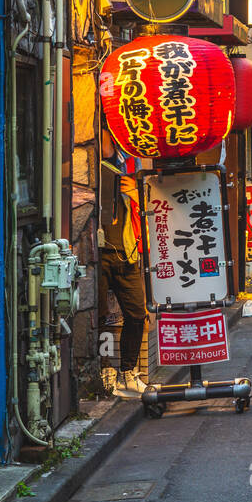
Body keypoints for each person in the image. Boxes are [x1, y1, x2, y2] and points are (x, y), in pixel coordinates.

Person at [99, 131, 150, 399]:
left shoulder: (132, 163)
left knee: (137, 313)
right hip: (100, 251)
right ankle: (103, 373)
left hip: (126, 251)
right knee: (98, 317)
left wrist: (134, 192)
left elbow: (149, 205)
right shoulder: (94, 165)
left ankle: (128, 372)